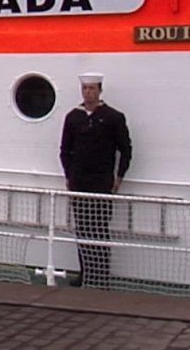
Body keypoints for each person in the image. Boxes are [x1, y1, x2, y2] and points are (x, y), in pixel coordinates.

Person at [59, 71, 133, 289]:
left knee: (100, 228)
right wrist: (68, 176)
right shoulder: (73, 117)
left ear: (100, 90)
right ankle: (85, 273)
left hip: (102, 181)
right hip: (79, 180)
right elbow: (65, 150)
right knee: (82, 229)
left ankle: (101, 277)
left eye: (92, 88)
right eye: (85, 88)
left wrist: (119, 177)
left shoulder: (113, 117)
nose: (88, 92)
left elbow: (125, 149)